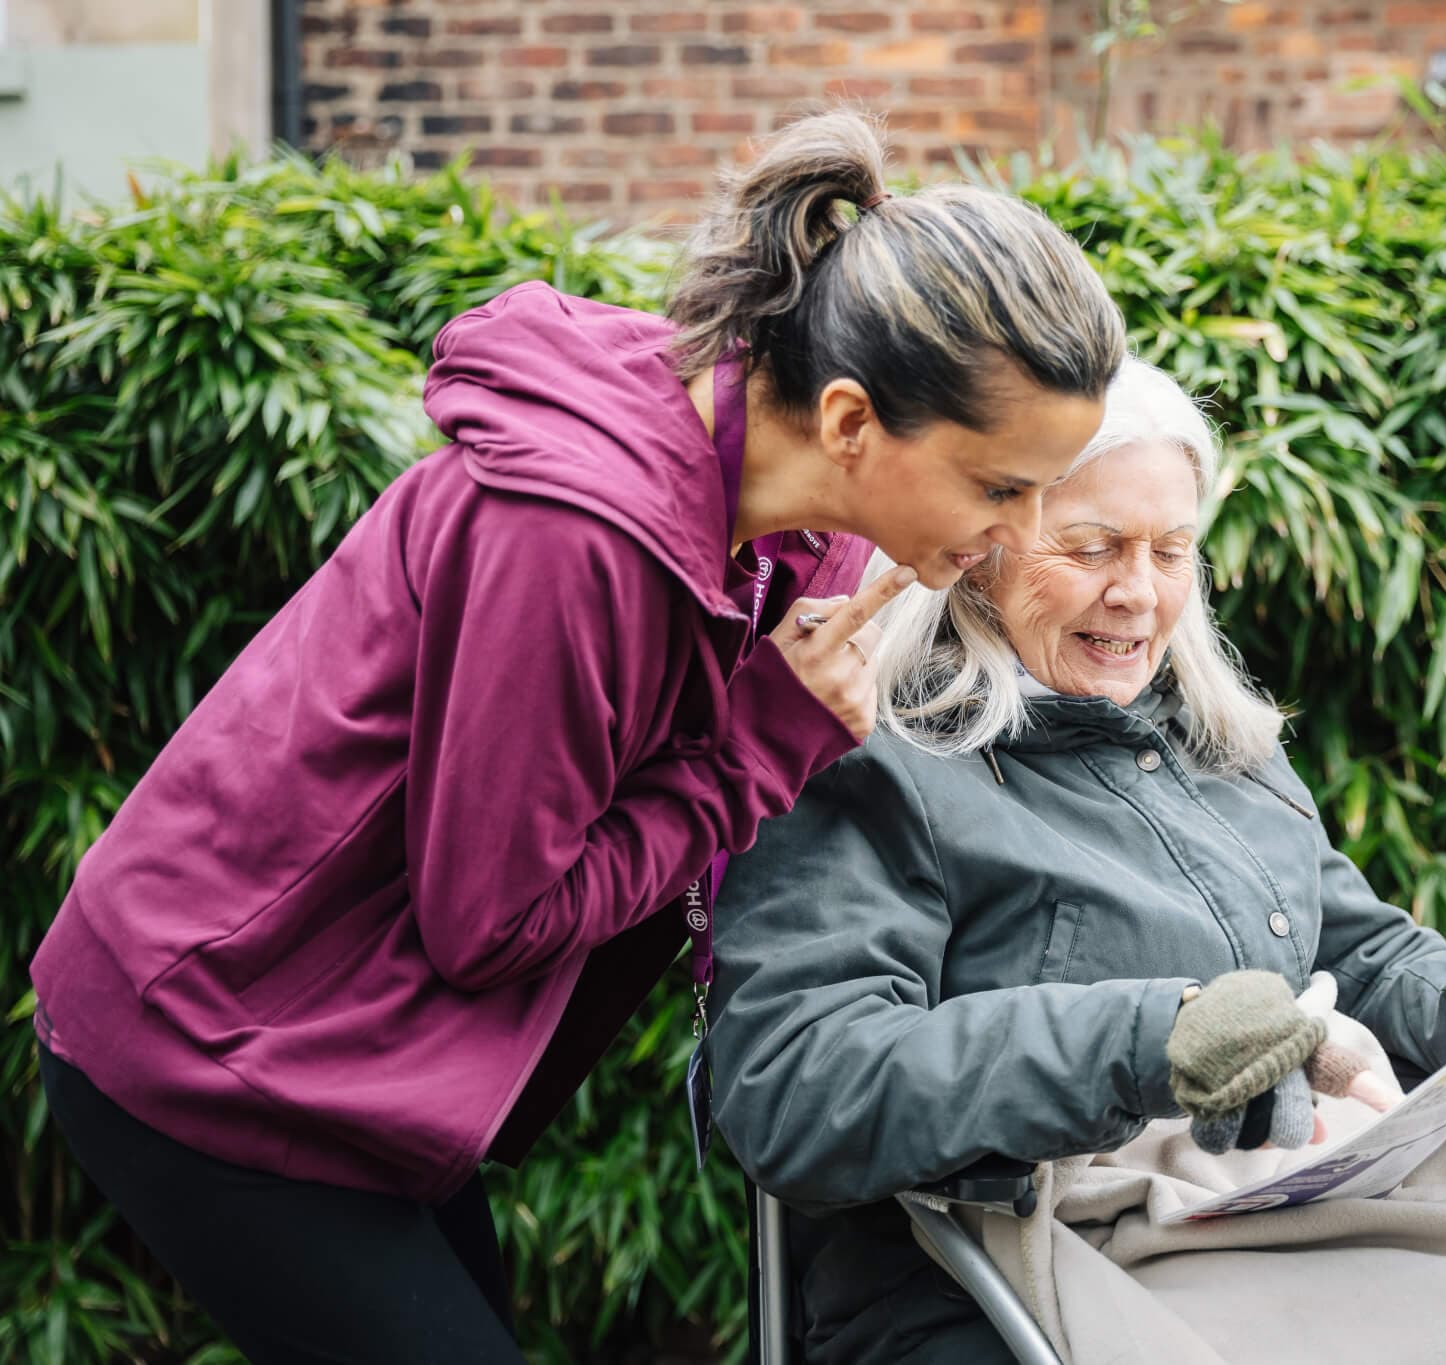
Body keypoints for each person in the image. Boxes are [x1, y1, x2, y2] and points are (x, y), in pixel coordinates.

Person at [30, 110, 1124, 1365]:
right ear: (846, 423)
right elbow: (488, 922)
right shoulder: (574, 538)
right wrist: (764, 744)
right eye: (999, 488)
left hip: (357, 1048)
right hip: (212, 1036)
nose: (1024, 530)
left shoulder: (803, 538)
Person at [707, 357, 1446, 1364]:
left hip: (1268, 1203)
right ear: (981, 546)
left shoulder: (1213, 741)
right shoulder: (871, 757)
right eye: (1093, 545)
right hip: (1003, 1254)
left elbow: (1356, 962)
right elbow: (796, 1083)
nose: (1138, 594)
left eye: (1169, 550)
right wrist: (1150, 1039)